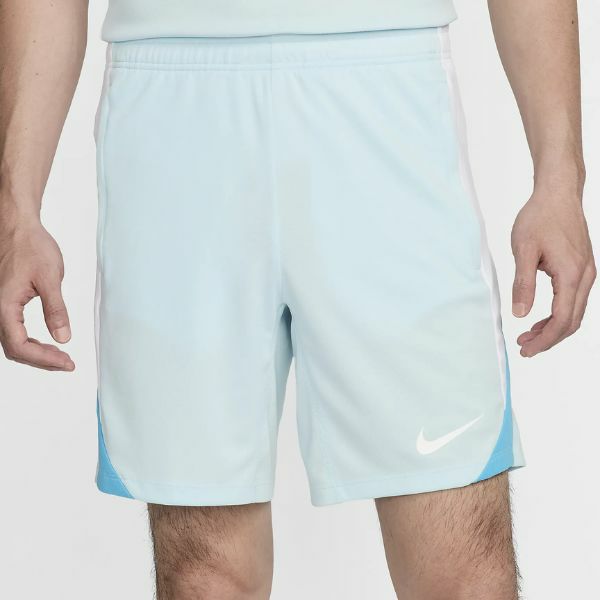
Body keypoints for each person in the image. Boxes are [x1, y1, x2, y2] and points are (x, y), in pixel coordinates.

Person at [0, 0, 595, 598]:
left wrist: (560, 177)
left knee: (465, 573)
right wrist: (18, 207)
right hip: (173, 110)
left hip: (385, 82)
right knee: (204, 580)